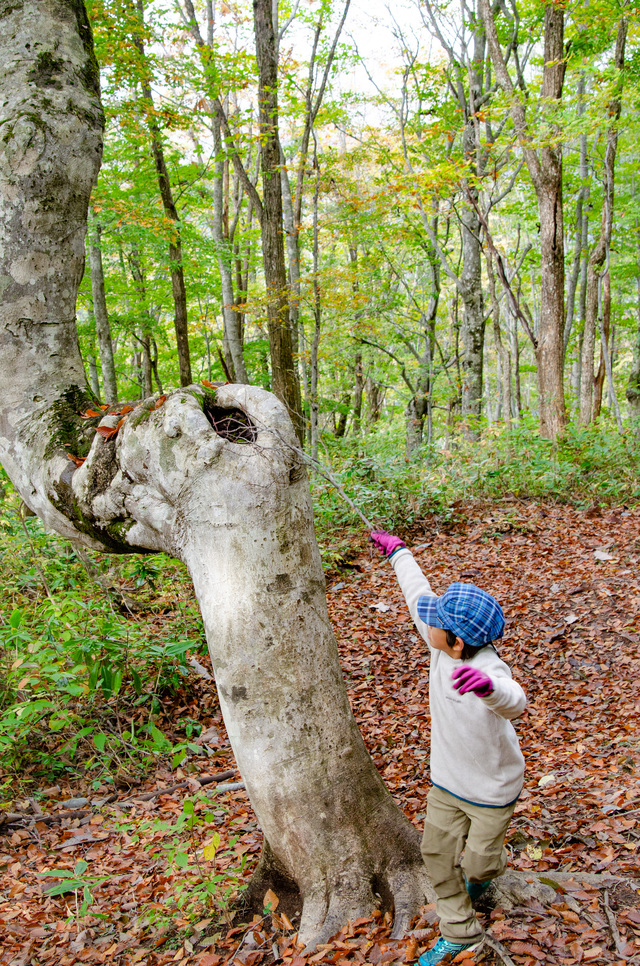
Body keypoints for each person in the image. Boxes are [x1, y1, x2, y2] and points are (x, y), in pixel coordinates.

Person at [370, 530, 526, 966]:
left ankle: (483, 876)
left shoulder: (489, 667)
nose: (427, 622)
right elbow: (418, 593)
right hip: (447, 785)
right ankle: (459, 933)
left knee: (478, 867)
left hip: (493, 792)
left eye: (434, 622)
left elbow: (515, 700)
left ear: (457, 641)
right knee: (436, 856)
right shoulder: (443, 647)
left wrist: (488, 689)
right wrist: (399, 552)